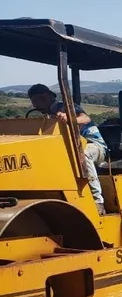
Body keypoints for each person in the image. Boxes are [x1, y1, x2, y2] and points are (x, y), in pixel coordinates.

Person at [28, 83, 108, 215]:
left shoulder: (64, 107)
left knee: (82, 154)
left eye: (36, 101)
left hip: (94, 145)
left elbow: (86, 118)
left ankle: (97, 201)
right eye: (33, 102)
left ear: (45, 97)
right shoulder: (46, 116)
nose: (35, 106)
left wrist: (69, 118)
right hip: (70, 147)